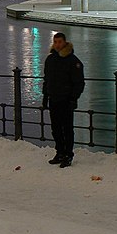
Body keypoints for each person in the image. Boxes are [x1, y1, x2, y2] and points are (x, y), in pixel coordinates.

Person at [42, 32, 85, 168]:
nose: (57, 45)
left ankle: (68, 154)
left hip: (66, 100)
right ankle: (59, 152)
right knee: (56, 128)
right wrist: (45, 96)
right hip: (54, 98)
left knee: (67, 128)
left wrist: (73, 99)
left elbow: (79, 83)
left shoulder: (73, 61)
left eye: (60, 42)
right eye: (55, 42)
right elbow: (47, 79)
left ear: (65, 42)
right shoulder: (50, 60)